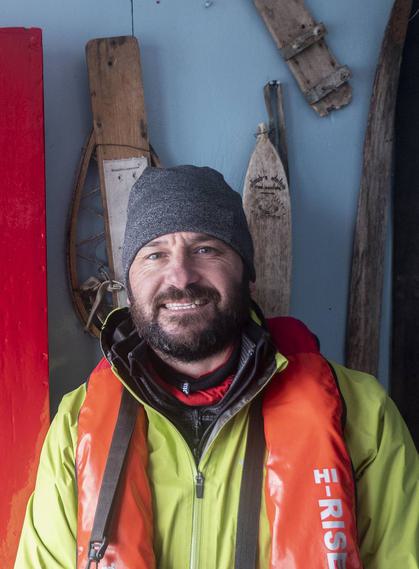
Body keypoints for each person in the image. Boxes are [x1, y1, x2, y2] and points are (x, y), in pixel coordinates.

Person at [15, 166, 418, 569]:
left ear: (247, 273)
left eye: (206, 249)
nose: (181, 276)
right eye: (155, 254)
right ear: (130, 284)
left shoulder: (363, 414)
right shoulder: (76, 424)